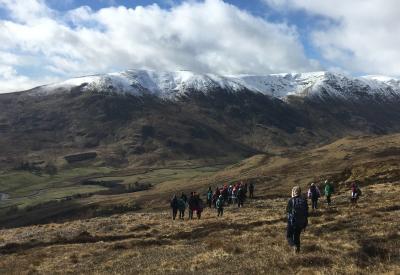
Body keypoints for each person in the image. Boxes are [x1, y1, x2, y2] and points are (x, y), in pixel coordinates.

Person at [286, 186, 308, 253]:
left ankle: (294, 246)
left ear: (293, 192)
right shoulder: (304, 200)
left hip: (292, 221)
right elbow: (306, 211)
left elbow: (288, 210)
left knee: (289, 236)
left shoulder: (291, 200)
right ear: (300, 192)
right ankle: (297, 251)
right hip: (301, 222)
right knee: (297, 236)